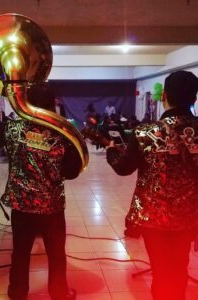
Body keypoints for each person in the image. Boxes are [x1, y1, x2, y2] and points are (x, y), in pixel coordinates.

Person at [106, 70, 198, 300]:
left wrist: (109, 151)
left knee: (160, 271)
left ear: (163, 95)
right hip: (189, 215)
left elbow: (123, 168)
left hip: (153, 216)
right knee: (180, 267)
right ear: (194, 99)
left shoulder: (145, 132)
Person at [0, 83, 80, 300]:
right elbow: (72, 171)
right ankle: (59, 292)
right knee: (56, 253)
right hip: (52, 206)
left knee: (20, 252)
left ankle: (17, 292)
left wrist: (16, 113)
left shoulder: (12, 127)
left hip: (22, 205)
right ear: (52, 104)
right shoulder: (62, 131)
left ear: (27, 102)